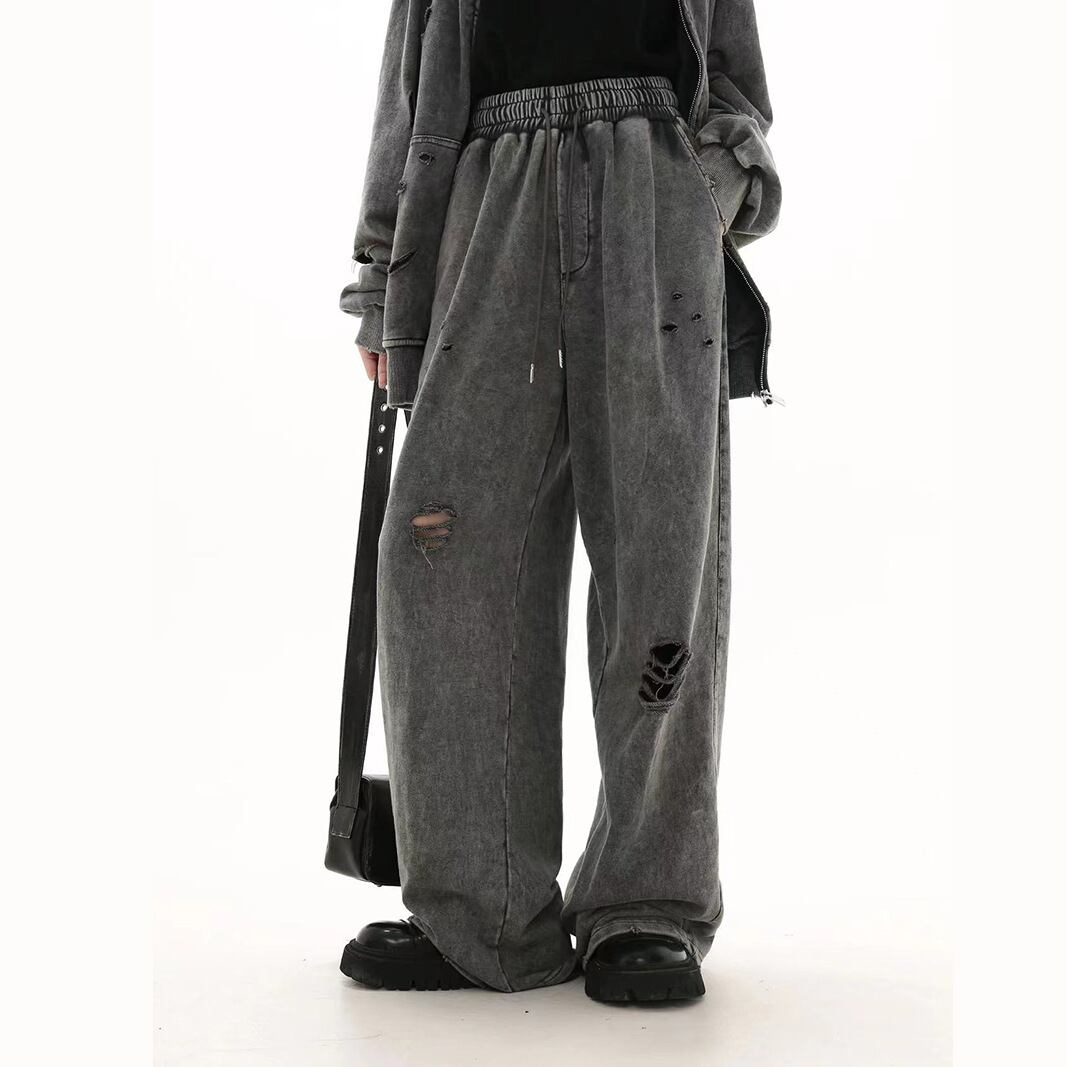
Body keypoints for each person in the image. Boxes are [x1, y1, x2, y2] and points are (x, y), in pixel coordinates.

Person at [337, 0, 781, 1003]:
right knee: (448, 560)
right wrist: (380, 278)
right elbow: (407, 93)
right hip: (486, 196)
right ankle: (478, 908)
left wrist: (707, 183)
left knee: (659, 559)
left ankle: (646, 899)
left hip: (652, 196)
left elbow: (736, 79)